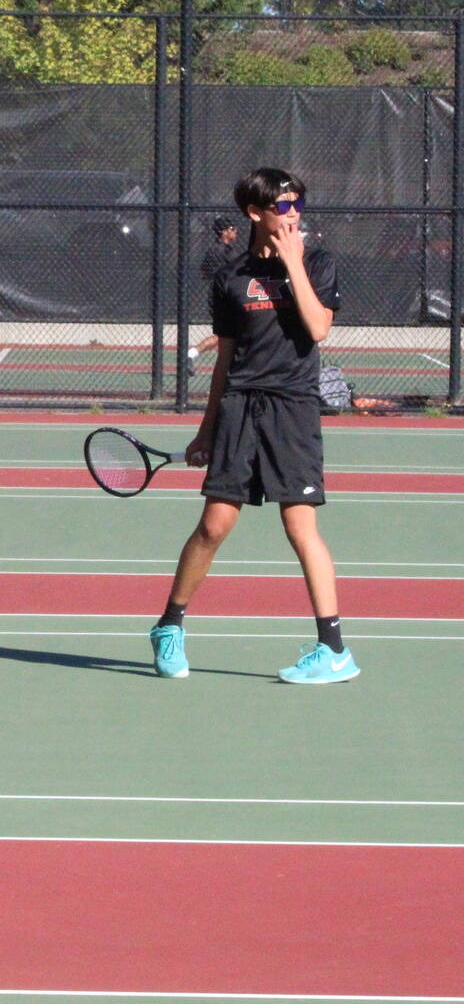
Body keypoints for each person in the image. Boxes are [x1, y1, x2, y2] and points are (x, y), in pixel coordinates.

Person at [150, 167, 357, 686]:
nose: (293, 214)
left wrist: (293, 264)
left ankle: (333, 648)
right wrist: (207, 428)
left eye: (297, 204)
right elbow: (224, 359)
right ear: (255, 213)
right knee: (215, 525)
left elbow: (318, 328)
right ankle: (169, 626)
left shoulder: (319, 262)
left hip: (294, 407)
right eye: (283, 206)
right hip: (241, 405)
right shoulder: (231, 277)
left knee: (300, 525)